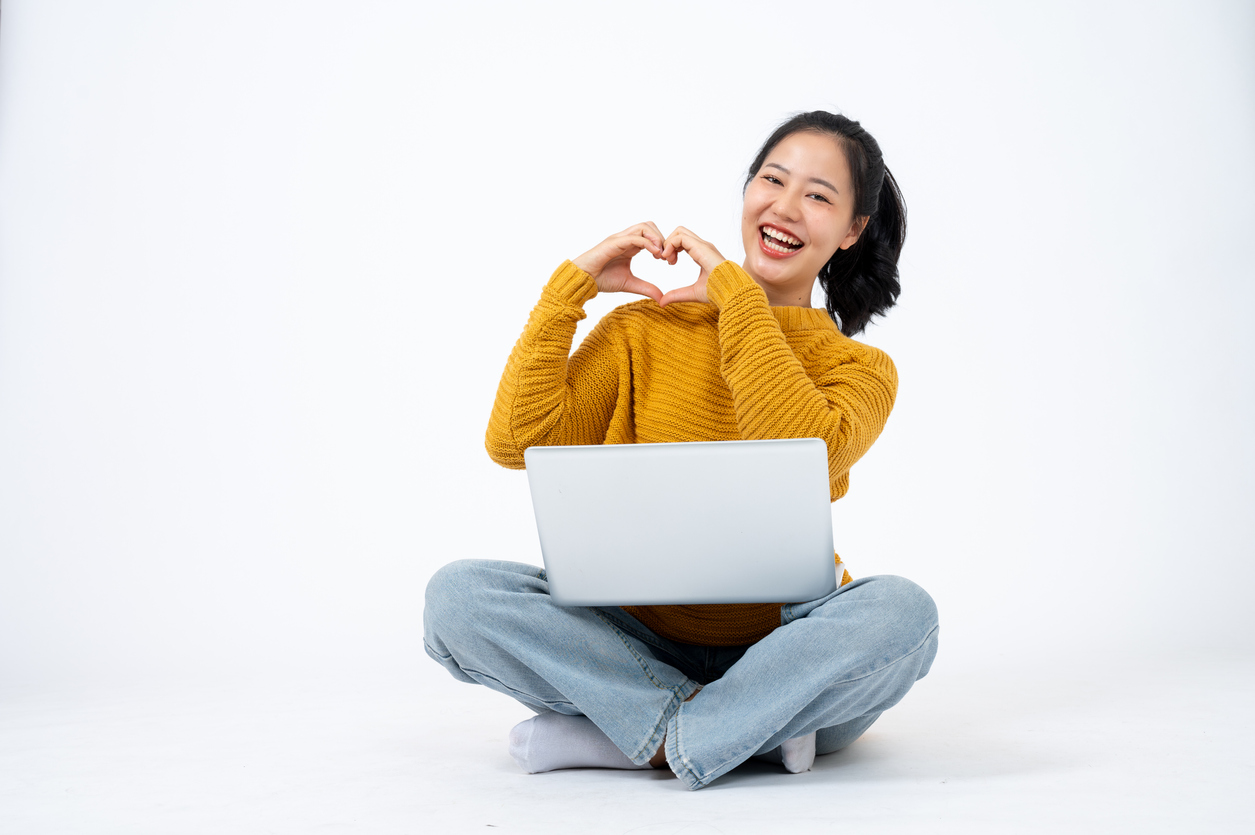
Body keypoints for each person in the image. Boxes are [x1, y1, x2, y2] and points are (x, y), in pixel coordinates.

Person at [423, 111, 939, 791]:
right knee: (456, 598)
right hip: (628, 641)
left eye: (817, 195)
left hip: (787, 651)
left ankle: (633, 732)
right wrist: (567, 291)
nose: (784, 206)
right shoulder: (644, 327)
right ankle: (736, 733)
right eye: (772, 180)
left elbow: (793, 446)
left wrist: (737, 298)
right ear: (748, 191)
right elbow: (516, 443)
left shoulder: (860, 368)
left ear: (851, 231)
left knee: (905, 614)